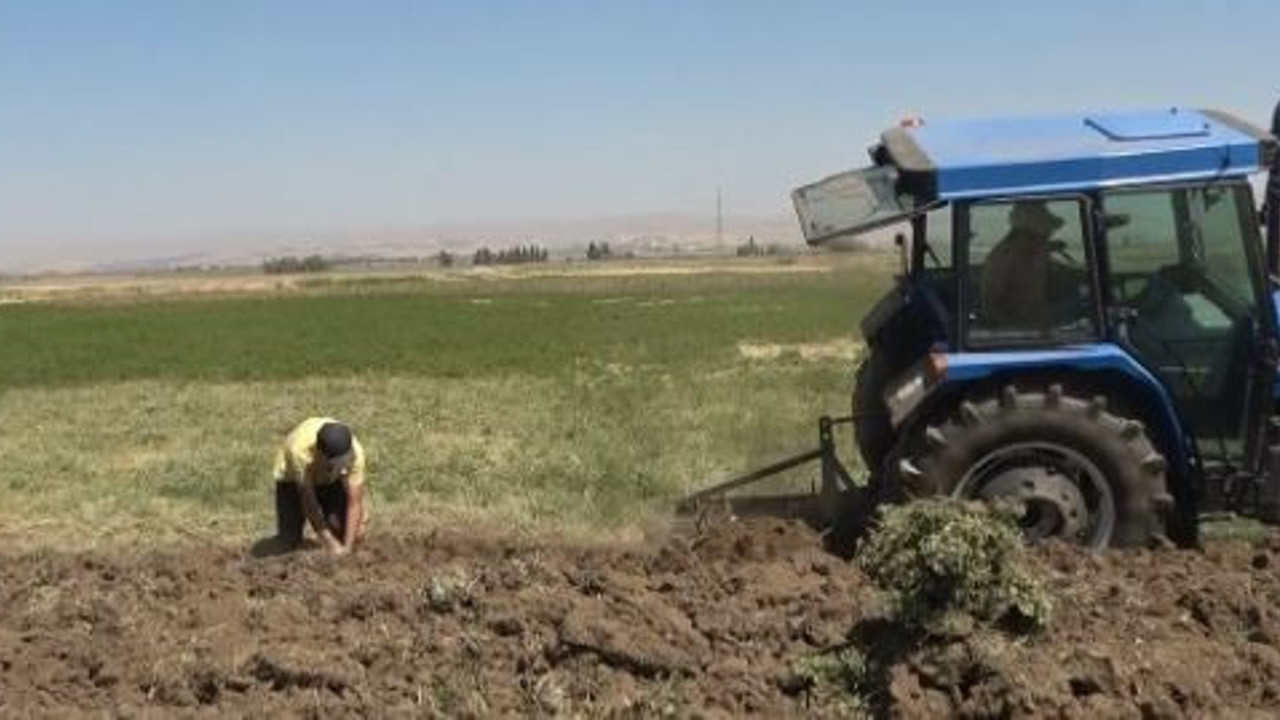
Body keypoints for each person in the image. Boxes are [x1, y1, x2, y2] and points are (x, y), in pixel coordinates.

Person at [271, 417, 369, 555]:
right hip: (292, 480)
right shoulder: (299, 451)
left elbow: (355, 501)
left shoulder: (355, 453)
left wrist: (347, 548)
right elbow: (310, 502)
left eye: (344, 462)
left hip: (329, 479)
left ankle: (332, 541)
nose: (343, 466)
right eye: (337, 463)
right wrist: (330, 542)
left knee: (343, 529)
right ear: (321, 455)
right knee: (288, 542)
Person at [979, 201, 1078, 330]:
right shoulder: (1012, 258)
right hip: (1024, 328)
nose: (1048, 234)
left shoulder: (1027, 252)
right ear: (1027, 233)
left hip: (1031, 322)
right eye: (1044, 232)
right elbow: (998, 307)